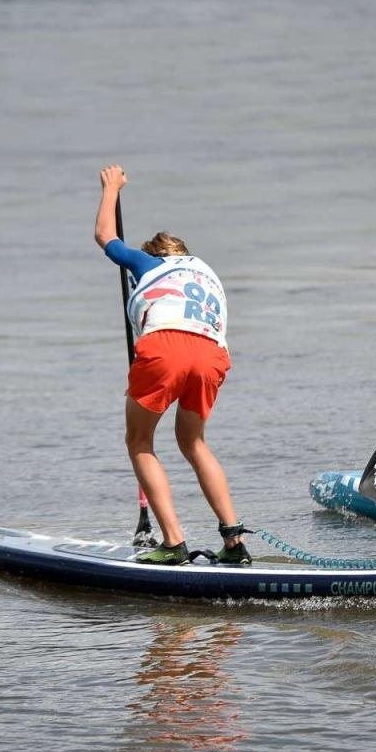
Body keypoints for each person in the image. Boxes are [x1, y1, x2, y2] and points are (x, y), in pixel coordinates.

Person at [94, 164, 251, 566]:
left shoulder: (149, 263)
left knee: (139, 441)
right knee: (194, 442)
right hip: (213, 355)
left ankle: (173, 542)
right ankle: (235, 543)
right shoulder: (207, 272)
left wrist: (112, 187)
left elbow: (106, 239)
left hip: (166, 347)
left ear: (156, 253)